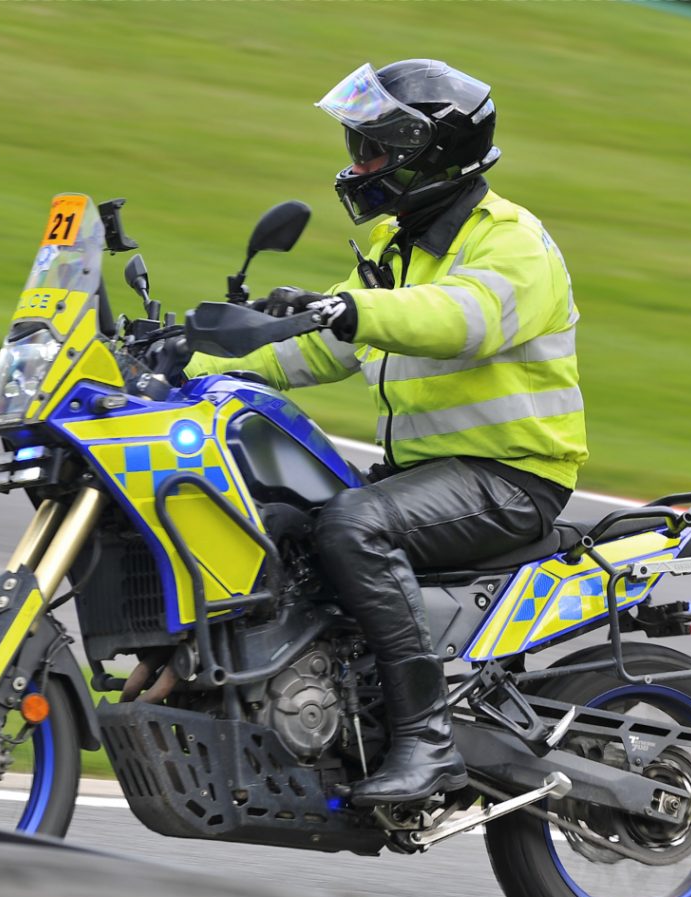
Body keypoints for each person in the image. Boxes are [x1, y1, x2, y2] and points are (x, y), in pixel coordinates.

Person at [182, 59, 586, 807]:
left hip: (512, 480)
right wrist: (182, 359)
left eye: (372, 150)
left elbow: (459, 320)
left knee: (353, 525)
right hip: (425, 475)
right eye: (356, 148)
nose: (357, 166)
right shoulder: (399, 250)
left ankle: (427, 740)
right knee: (281, 511)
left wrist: (355, 312)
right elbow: (308, 346)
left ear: (424, 152)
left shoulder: (512, 242)